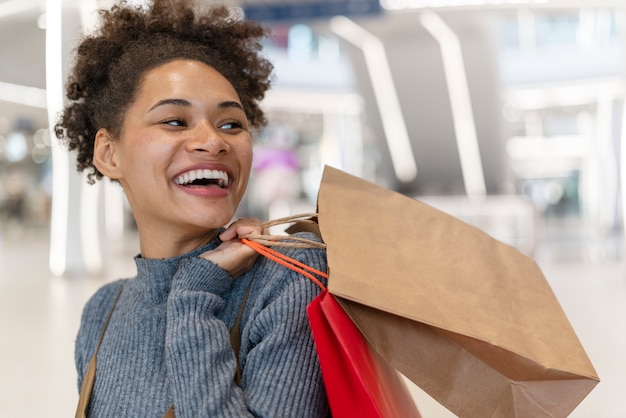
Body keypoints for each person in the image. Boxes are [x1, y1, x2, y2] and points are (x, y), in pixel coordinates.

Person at [54, 0, 329, 416]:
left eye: (231, 124)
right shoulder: (103, 310)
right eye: (175, 121)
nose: (214, 141)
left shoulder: (289, 283)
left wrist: (195, 294)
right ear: (109, 153)